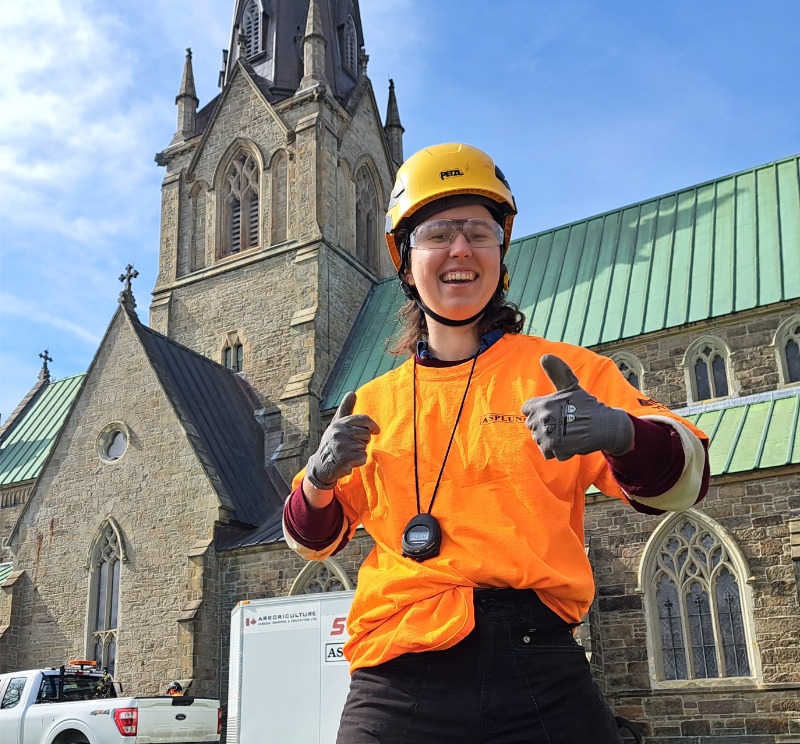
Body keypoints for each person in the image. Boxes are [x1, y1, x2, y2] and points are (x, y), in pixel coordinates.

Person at [283, 143, 709, 743]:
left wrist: (621, 431)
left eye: (479, 233)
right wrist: (319, 480)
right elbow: (311, 542)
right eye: (439, 233)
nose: (460, 249)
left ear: (501, 254)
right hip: (396, 675)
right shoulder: (370, 404)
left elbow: (686, 482)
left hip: (538, 669)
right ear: (406, 262)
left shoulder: (566, 373)